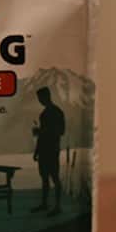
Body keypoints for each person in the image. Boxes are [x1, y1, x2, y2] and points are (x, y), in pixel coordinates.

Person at [31, 86, 65, 216]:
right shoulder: (45, 114)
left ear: (46, 97)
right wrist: (37, 152)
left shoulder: (55, 112)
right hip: (46, 150)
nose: (40, 100)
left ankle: (57, 206)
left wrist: (41, 131)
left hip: (51, 150)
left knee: (54, 178)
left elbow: (60, 131)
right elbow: (43, 136)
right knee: (45, 178)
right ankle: (46, 204)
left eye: (40, 98)